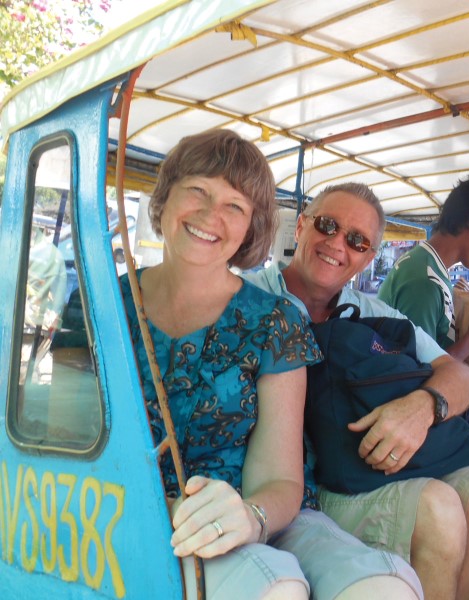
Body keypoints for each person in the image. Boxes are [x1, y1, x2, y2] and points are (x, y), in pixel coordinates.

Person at [121, 130, 421, 600]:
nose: (209, 215)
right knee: (273, 590)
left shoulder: (275, 321)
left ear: (250, 228)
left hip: (268, 515)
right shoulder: (102, 304)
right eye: (197, 191)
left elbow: (280, 479)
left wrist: (250, 516)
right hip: (136, 513)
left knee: (384, 588)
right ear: (165, 198)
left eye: (234, 206)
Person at [246, 182, 469, 600]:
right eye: (327, 226)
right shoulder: (249, 298)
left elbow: (459, 376)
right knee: (438, 509)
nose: (337, 244)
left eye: (356, 240)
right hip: (307, 485)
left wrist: (421, 407)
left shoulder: (370, 313)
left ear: (368, 258)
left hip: (364, 463)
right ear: (300, 227)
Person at [378, 175, 469, 472]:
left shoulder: (431, 268)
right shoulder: (423, 280)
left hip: (444, 405)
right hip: (427, 412)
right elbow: (414, 377)